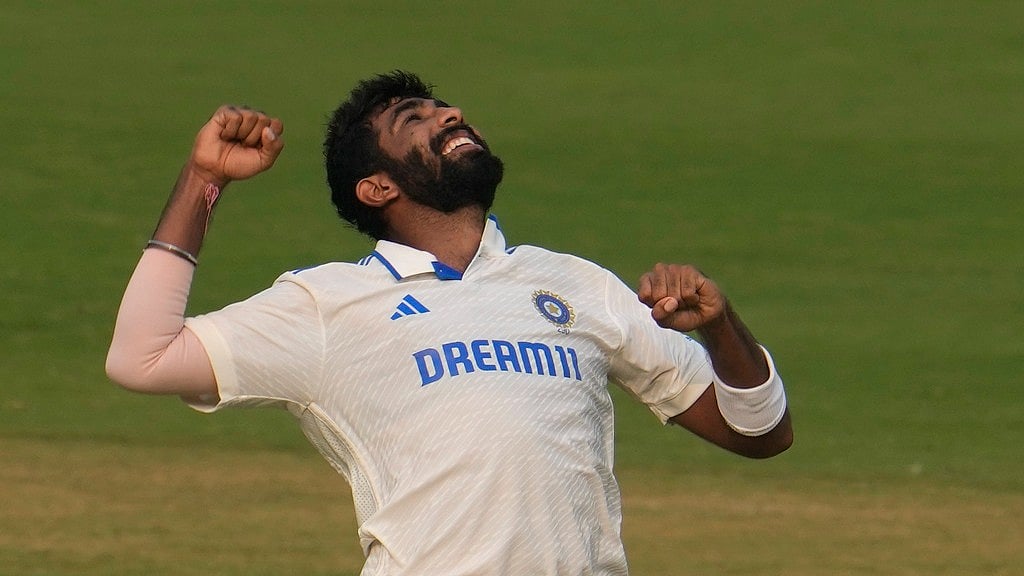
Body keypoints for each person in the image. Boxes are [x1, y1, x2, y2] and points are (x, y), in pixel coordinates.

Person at [106, 70, 793, 575]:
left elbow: (758, 433)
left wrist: (720, 326)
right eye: (416, 119)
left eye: (444, 107)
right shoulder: (327, 306)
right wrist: (205, 181)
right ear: (377, 188)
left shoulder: (573, 284)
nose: (450, 114)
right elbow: (141, 357)